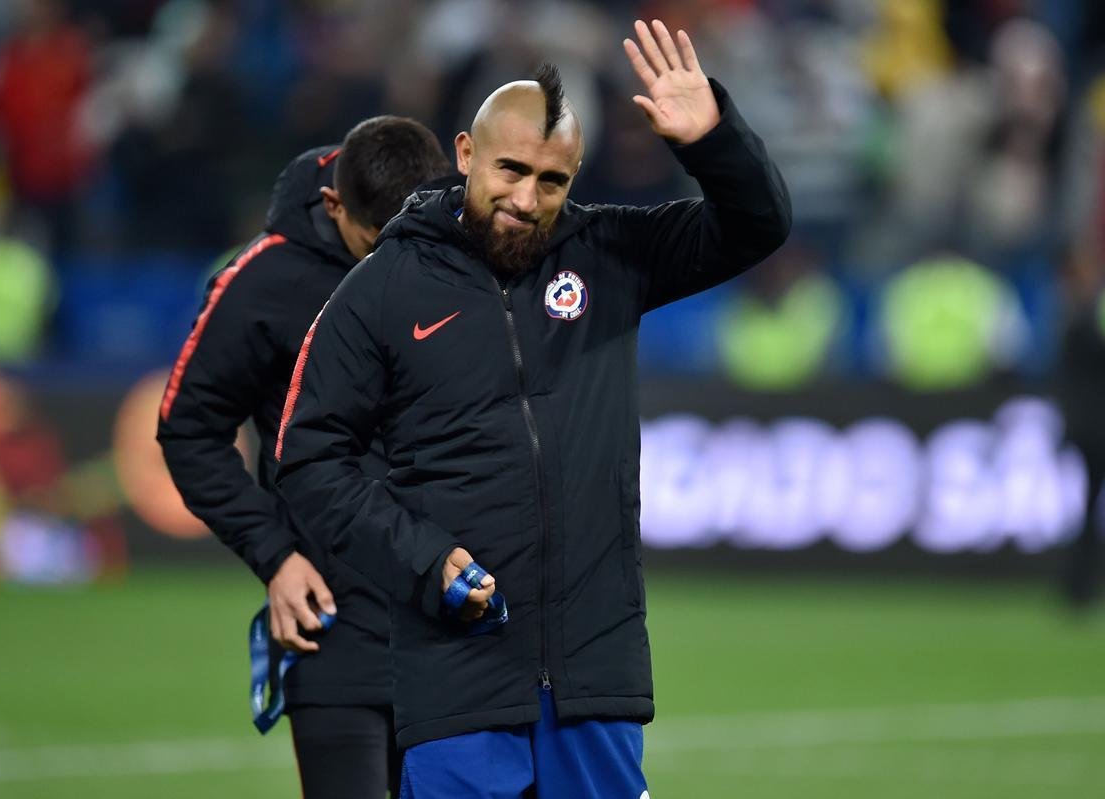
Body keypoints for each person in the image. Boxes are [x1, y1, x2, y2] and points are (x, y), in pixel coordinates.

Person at [276, 20, 790, 797]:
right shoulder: (382, 289)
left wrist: (711, 139)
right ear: (465, 154)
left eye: (551, 181)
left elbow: (758, 225)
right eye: (510, 170)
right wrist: (421, 559)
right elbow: (308, 458)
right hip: (457, 675)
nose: (525, 198)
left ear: (575, 178)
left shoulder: (612, 256)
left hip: (594, 673)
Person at [156, 116, 451, 799]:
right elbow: (188, 429)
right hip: (334, 614)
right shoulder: (262, 282)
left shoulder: (462, 247)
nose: (396, 259)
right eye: (377, 242)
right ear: (334, 206)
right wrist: (276, 555)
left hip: (452, 615)